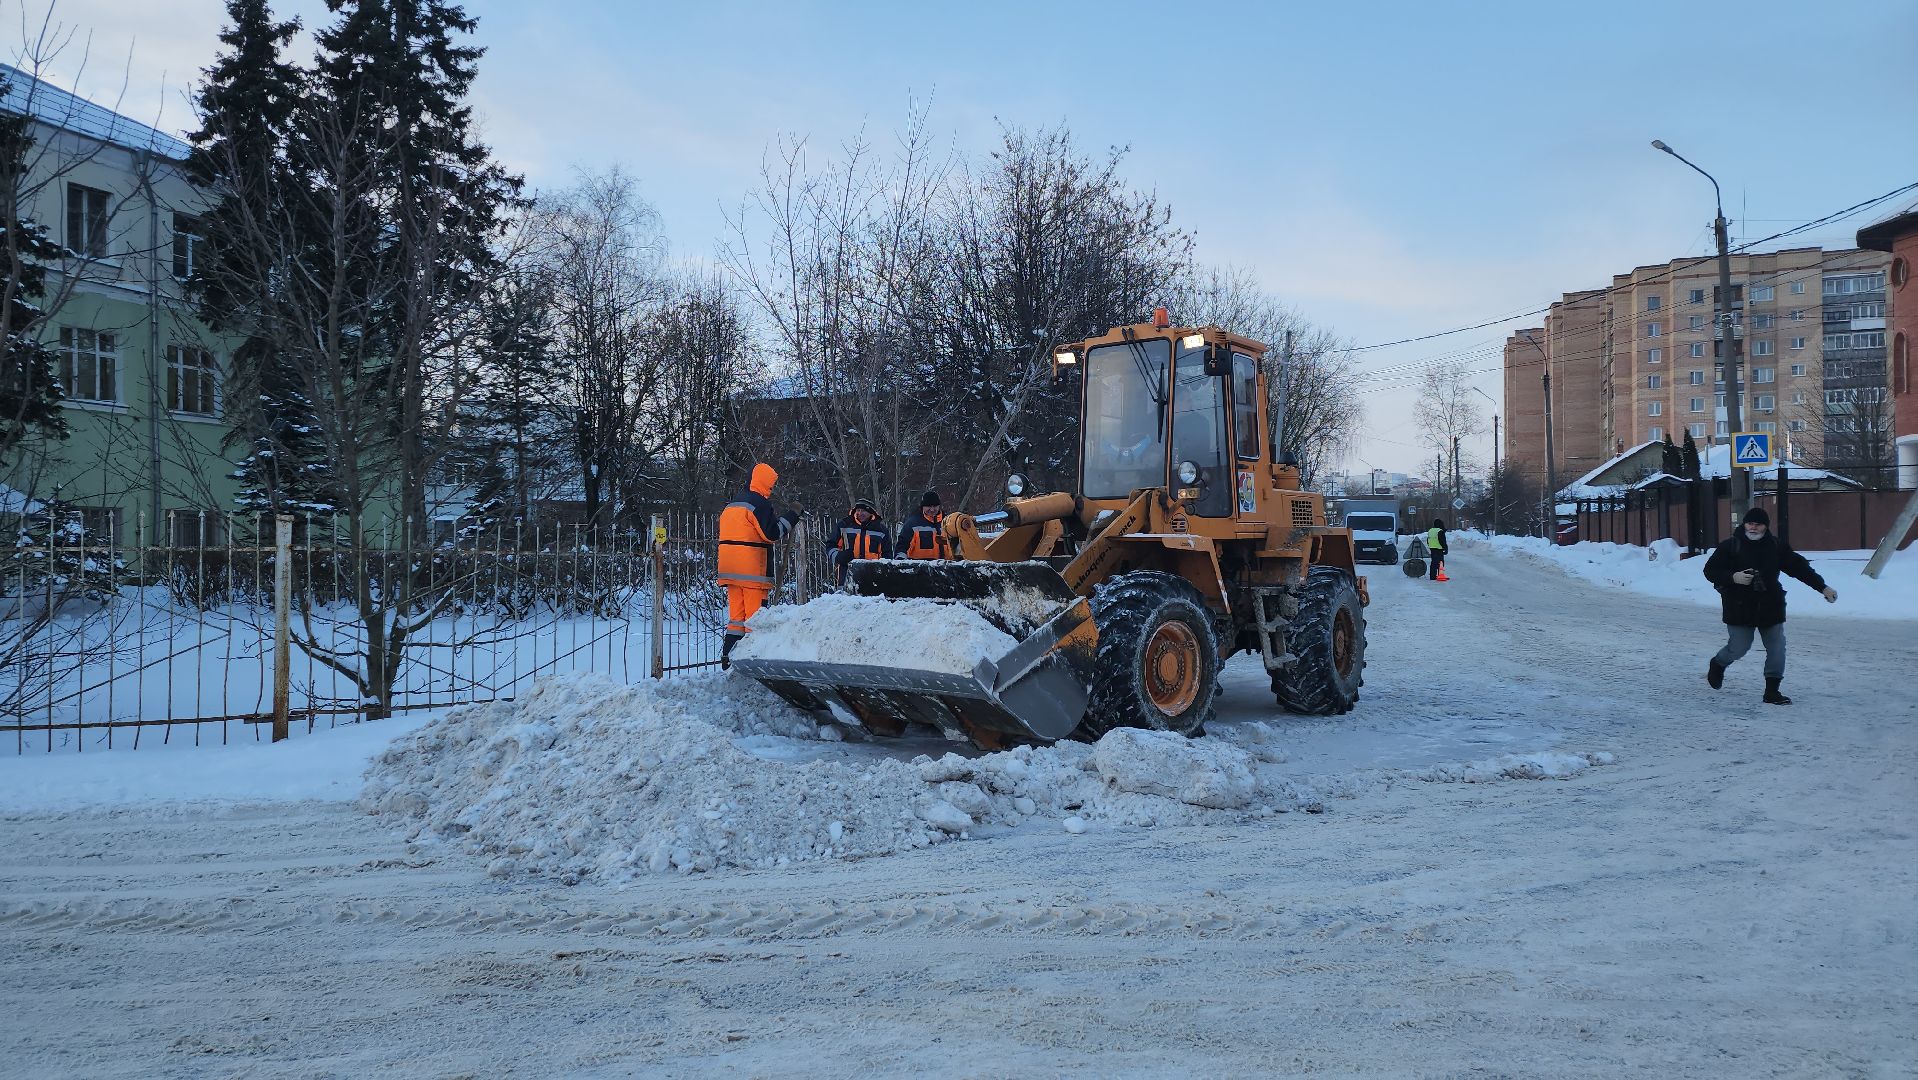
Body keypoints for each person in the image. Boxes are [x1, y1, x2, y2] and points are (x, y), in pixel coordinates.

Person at [1702, 506, 1837, 705]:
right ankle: (1718, 664)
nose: (1753, 528)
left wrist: (1823, 587)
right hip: (1739, 606)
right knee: (1739, 647)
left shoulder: (1776, 546)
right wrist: (1732, 577)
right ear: (1744, 524)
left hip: (1770, 605)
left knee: (1777, 647)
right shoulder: (1730, 546)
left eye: (1758, 524)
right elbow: (1710, 570)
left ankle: (1772, 691)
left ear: (1766, 527)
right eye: (1750, 523)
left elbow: (1799, 569)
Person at [717, 462, 800, 668]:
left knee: (736, 619)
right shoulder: (758, 504)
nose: (771, 489)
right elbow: (772, 533)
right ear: (765, 482)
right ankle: (753, 663)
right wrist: (792, 516)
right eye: (771, 485)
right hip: (752, 572)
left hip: (730, 570)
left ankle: (728, 660)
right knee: (755, 620)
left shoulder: (733, 504)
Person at [828, 497, 891, 584]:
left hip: (873, 578)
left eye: (863, 511)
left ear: (870, 512)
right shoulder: (844, 525)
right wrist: (838, 556)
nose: (860, 513)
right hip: (846, 575)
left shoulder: (881, 530)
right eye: (858, 510)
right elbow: (830, 545)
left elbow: (887, 555)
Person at [898, 489, 948, 560]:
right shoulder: (912, 524)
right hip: (918, 568)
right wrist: (901, 562)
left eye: (935, 506)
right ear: (922, 506)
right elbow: (902, 547)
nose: (932, 509)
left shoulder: (948, 523)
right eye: (929, 506)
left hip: (945, 568)